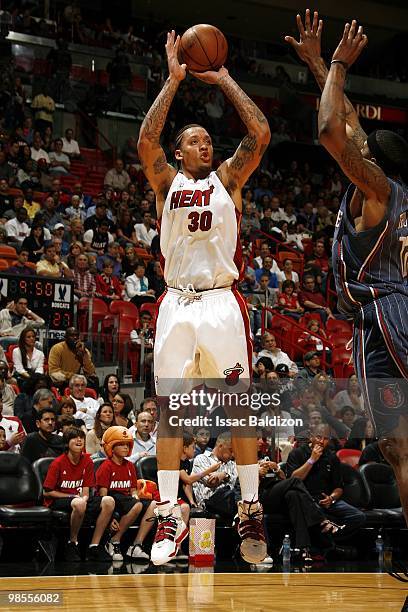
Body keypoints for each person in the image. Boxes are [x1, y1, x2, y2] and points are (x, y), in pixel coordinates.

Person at [137, 30, 271, 565]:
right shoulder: (165, 181)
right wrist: (173, 80)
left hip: (220, 302)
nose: (204, 144)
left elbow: (258, 133)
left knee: (240, 406)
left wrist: (224, 79)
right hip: (175, 302)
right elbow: (146, 141)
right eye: (194, 140)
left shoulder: (228, 181)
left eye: (206, 140)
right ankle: (169, 513)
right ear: (179, 150)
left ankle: (251, 507)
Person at [287, 9, 408, 521]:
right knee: (400, 451)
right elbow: (354, 126)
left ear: (372, 164)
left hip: (386, 321)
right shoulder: (392, 190)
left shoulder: (375, 191)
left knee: (401, 449)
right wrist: (318, 64)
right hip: (396, 310)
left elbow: (333, 130)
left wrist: (336, 61)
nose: (358, 141)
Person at [42, 426, 115, 561]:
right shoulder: (57, 463)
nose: (79, 440)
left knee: (108, 500)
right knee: (79, 502)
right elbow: (47, 493)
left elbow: (86, 489)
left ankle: (94, 545)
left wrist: (85, 498)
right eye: (75, 438)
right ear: (67, 443)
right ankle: (72, 543)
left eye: (81, 437)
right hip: (59, 500)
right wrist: (72, 497)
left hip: (80, 499)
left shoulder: (87, 460)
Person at [286, 424, 365, 542]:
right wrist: (312, 460)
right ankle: (327, 544)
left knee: (358, 516)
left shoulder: (332, 457)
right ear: (311, 436)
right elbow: (293, 480)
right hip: (306, 500)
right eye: (318, 437)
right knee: (317, 514)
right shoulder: (297, 454)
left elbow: (338, 487)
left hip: (327, 500)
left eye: (326, 438)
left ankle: (333, 541)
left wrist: (331, 498)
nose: (322, 441)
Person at [97, 426, 157, 561]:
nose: (125, 447)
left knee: (153, 504)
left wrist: (137, 497)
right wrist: (110, 516)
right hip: (113, 500)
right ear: (111, 447)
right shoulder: (105, 466)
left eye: (127, 444)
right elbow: (103, 495)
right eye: (121, 444)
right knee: (136, 505)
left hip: (128, 501)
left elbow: (133, 490)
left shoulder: (130, 466)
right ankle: (114, 540)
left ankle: (136, 545)